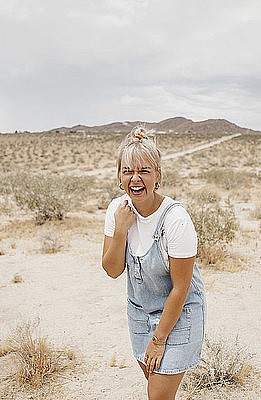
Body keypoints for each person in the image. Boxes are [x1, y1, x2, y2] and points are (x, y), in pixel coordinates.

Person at [101, 126, 206, 400]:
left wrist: (159, 341)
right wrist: (121, 229)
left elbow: (181, 288)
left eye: (144, 171)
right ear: (119, 175)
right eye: (127, 171)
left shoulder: (176, 219)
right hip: (139, 314)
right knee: (157, 389)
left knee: (157, 395)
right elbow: (112, 270)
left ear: (158, 175)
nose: (135, 179)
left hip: (179, 314)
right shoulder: (117, 210)